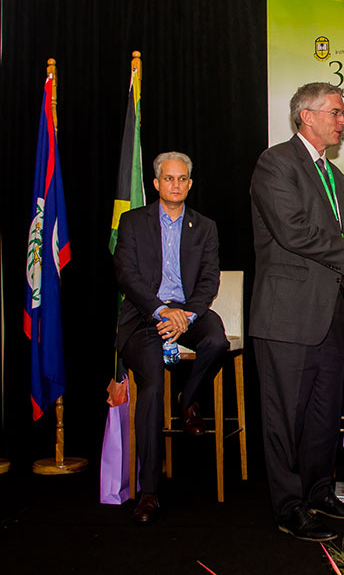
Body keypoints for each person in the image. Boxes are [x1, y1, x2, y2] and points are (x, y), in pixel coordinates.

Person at [249, 82, 344, 542]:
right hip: (286, 315)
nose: (342, 121)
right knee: (284, 418)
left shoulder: (337, 177)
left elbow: (339, 248)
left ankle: (318, 491)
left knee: (323, 414)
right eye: (335, 112)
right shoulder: (275, 163)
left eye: (343, 113)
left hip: (330, 315)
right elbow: (292, 232)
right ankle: (288, 506)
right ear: (306, 116)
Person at [114, 151, 231, 524]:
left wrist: (187, 315)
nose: (175, 184)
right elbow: (126, 274)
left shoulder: (205, 227)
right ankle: (149, 490)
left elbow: (209, 278)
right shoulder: (133, 222)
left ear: (190, 184)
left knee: (217, 341)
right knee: (151, 389)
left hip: (189, 312)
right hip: (144, 315)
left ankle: (188, 397)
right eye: (169, 178)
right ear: (156, 183)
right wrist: (161, 311)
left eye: (182, 179)